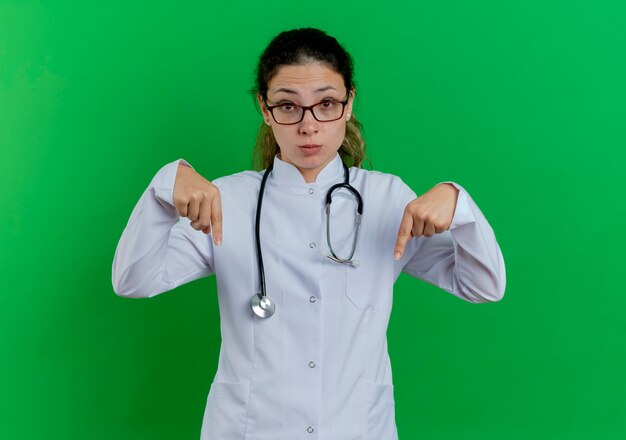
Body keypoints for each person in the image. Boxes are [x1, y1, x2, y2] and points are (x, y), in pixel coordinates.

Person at [112, 27, 506, 440]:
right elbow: (133, 280)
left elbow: (483, 285)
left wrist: (458, 203)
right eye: (288, 106)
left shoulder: (387, 198)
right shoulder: (226, 200)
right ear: (264, 109)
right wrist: (162, 189)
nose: (308, 126)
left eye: (326, 104)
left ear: (349, 102)